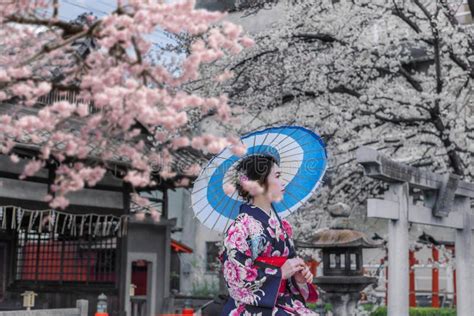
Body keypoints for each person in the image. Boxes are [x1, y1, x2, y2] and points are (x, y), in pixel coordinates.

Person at [219, 154, 318, 316]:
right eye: (277, 176)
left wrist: (297, 278)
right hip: (251, 306)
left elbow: (289, 264)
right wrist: (279, 273)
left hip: (281, 300)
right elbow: (237, 281)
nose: (283, 182)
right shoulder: (240, 228)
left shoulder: (283, 225)